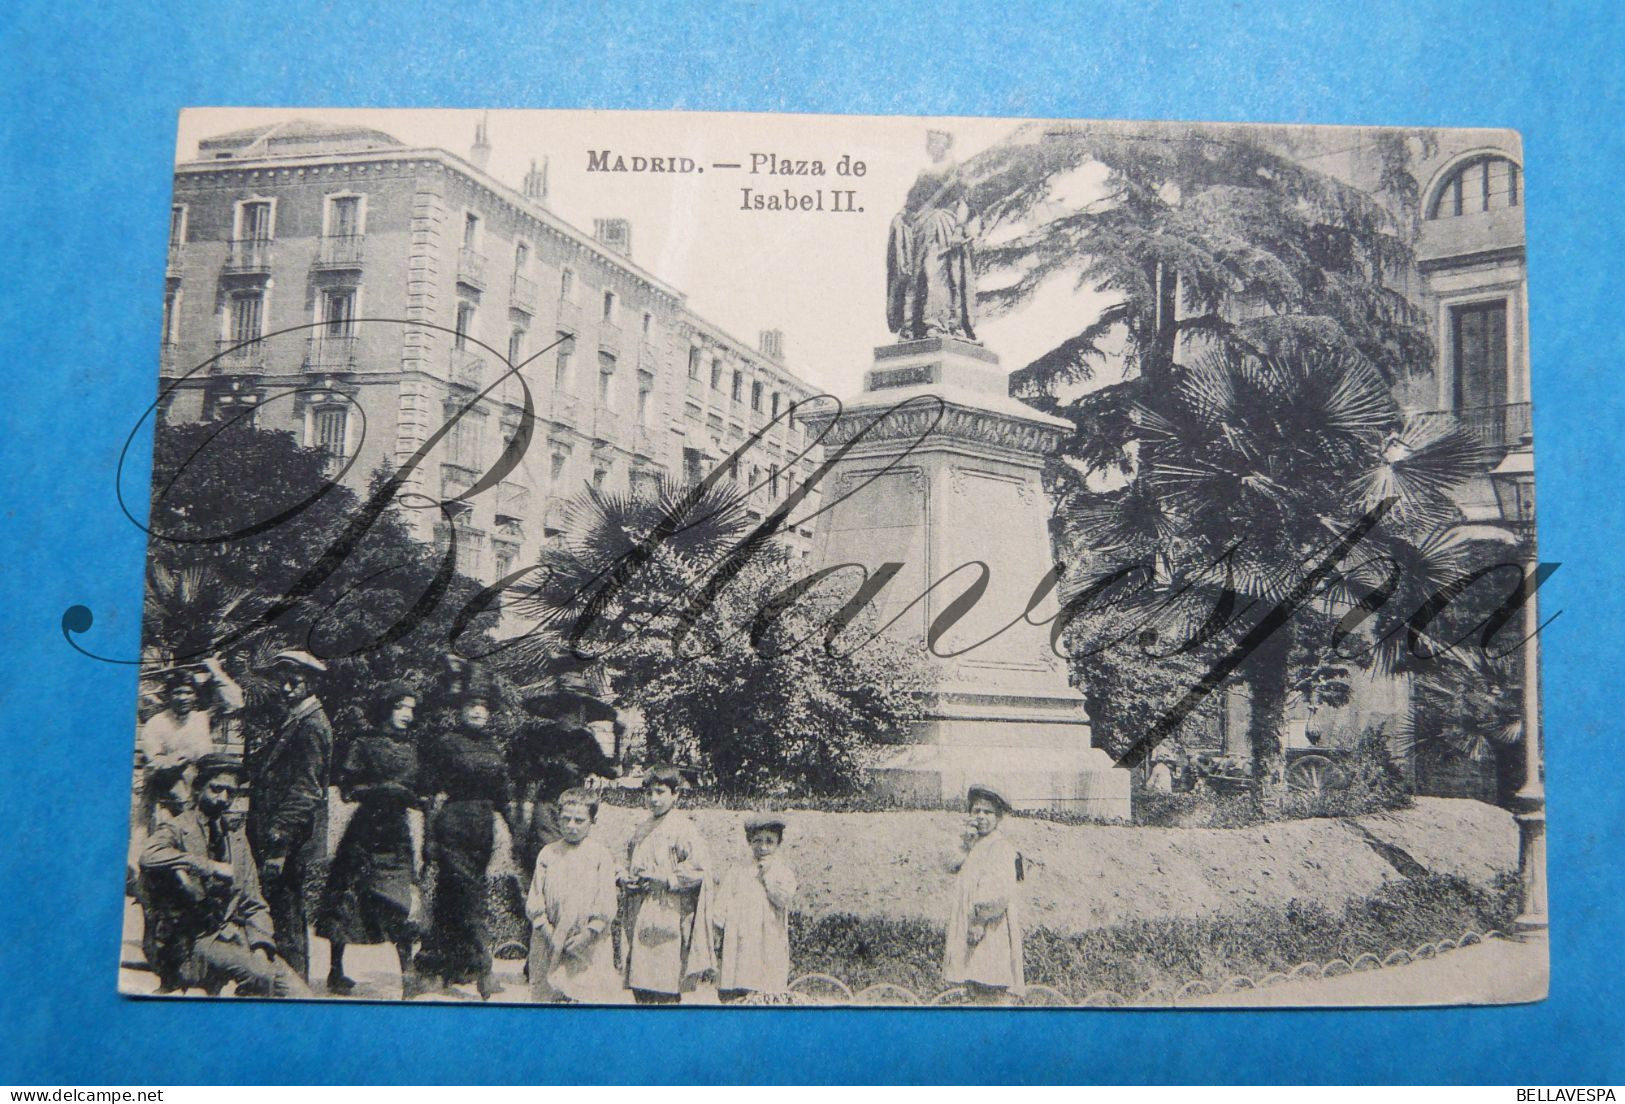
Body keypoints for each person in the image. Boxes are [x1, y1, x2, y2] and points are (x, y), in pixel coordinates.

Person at [139, 753, 309, 997]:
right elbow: (149, 855)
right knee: (259, 976)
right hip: (193, 938)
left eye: (231, 792)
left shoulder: (236, 839)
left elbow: (254, 902)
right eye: (216, 789)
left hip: (234, 934)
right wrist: (206, 865)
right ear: (198, 788)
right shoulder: (177, 828)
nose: (223, 799)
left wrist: (261, 946)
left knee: (299, 994)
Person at [316, 682, 426, 998]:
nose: (408, 714)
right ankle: (336, 971)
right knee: (346, 898)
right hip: (364, 832)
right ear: (386, 708)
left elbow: (421, 792)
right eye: (401, 707)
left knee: (398, 898)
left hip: (396, 833)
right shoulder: (363, 744)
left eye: (411, 708)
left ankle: (408, 974)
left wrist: (413, 798)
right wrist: (380, 790)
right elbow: (347, 789)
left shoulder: (411, 749)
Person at [416, 660, 511, 999]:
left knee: (450, 897)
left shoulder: (493, 746)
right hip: (453, 824)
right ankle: (484, 971)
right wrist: (429, 839)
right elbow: (431, 793)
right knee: (471, 897)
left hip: (482, 829)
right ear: (460, 709)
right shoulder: (446, 742)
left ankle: (438, 967)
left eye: (483, 706)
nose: (478, 712)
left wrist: (511, 832)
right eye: (471, 705)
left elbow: (503, 794)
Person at [246, 649, 334, 983]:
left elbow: (306, 791)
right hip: (280, 836)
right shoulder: (296, 720)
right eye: (283, 681)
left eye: (294, 682)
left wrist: (279, 840)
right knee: (280, 909)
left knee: (285, 912)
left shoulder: (311, 726)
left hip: (288, 839)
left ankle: (291, 985)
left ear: (311, 683)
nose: (286, 689)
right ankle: (278, 982)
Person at [129, 657, 244, 879]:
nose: (183, 698)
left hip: (203, 803)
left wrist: (215, 669)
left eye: (188, 692)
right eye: (177, 693)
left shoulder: (202, 719)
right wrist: (180, 759)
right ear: (168, 696)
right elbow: (156, 765)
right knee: (169, 867)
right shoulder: (156, 724)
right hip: (166, 806)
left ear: (195, 695)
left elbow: (236, 702)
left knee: (207, 863)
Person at [620, 764, 715, 1004]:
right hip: (641, 912)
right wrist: (625, 879)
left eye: (660, 792)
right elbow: (627, 862)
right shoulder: (641, 829)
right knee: (640, 983)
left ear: (675, 794)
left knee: (665, 983)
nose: (654, 799)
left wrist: (666, 879)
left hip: (670, 911)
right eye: (649, 793)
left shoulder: (683, 829)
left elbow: (700, 870)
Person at [524, 787, 620, 1004]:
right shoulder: (548, 853)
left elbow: (606, 903)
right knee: (549, 997)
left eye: (579, 821)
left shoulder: (599, 855)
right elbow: (535, 899)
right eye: (566, 819)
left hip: (587, 943)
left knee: (585, 996)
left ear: (592, 820)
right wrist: (549, 933)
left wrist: (587, 934)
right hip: (548, 940)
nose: (571, 826)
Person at [943, 784, 1026, 1004]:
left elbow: (998, 891)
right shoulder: (976, 844)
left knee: (988, 979)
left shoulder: (1000, 847)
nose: (981, 817)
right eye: (976, 811)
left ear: (999, 817)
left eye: (988, 812)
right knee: (971, 979)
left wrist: (979, 921)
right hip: (970, 922)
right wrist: (966, 842)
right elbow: (949, 865)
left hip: (989, 925)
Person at [713, 813, 797, 1001]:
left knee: (765, 984)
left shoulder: (782, 871)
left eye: (769, 841)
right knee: (738, 976)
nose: (763, 847)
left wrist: (768, 876)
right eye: (757, 841)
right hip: (740, 936)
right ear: (750, 842)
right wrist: (718, 927)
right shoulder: (738, 870)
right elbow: (723, 900)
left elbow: (783, 898)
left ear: (778, 843)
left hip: (767, 937)